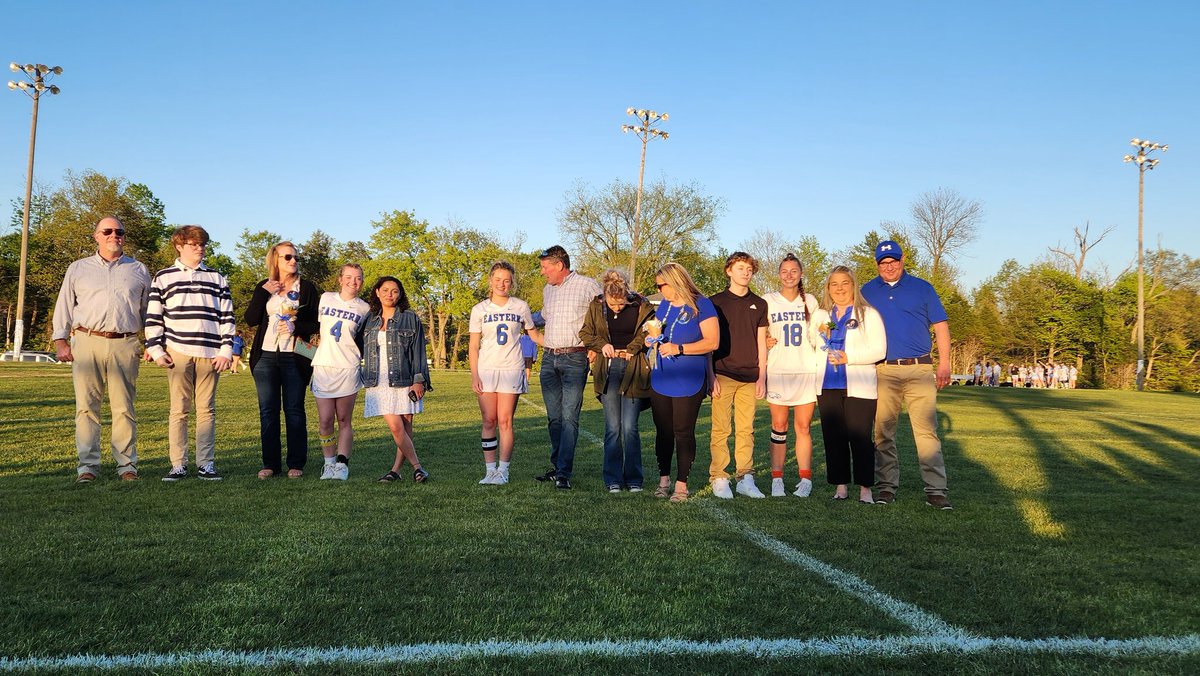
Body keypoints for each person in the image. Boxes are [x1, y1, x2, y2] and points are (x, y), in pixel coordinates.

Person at [51, 217, 151, 483]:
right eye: (107, 231)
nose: (113, 235)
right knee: (86, 407)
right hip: (87, 340)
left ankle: (127, 465)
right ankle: (88, 466)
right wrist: (60, 340)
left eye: (119, 232)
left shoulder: (139, 269)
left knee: (124, 407)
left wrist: (152, 341)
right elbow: (64, 305)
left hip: (125, 342)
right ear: (96, 236)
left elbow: (149, 312)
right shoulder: (78, 268)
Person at [860, 240, 953, 509]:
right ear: (877, 264)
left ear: (902, 261)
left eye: (893, 261)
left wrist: (944, 363)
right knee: (883, 432)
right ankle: (887, 487)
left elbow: (941, 326)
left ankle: (936, 490)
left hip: (919, 368)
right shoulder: (867, 291)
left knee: (925, 432)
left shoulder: (922, 288)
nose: (889, 266)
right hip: (884, 369)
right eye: (883, 262)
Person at [145, 225, 235, 481]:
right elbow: (154, 316)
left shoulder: (217, 277)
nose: (199, 248)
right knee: (179, 410)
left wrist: (226, 350)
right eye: (193, 244)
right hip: (178, 351)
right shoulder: (163, 277)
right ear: (179, 246)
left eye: (202, 244)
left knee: (206, 410)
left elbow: (227, 317)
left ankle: (205, 464)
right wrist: (156, 348)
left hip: (210, 352)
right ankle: (178, 464)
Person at [245, 241, 320, 479]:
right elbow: (251, 319)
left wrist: (296, 325)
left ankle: (296, 463)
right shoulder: (264, 287)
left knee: (294, 410)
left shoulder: (306, 288)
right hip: (265, 356)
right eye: (287, 257)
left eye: (296, 258)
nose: (293, 261)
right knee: (268, 411)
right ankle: (270, 464)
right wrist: (262, 292)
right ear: (275, 259)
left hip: (296, 355)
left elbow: (317, 323)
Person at [812, 266, 887, 503]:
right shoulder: (821, 316)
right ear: (828, 288)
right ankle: (841, 486)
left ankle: (865, 488)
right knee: (834, 437)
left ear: (853, 285)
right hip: (828, 384)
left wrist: (849, 358)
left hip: (859, 385)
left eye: (845, 283)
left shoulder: (867, 314)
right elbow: (812, 343)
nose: (840, 288)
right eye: (834, 284)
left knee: (860, 437)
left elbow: (879, 350)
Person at [646, 262, 720, 503]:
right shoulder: (665, 305)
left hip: (689, 378)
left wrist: (680, 348)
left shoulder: (702, 304)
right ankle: (663, 479)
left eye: (660, 285)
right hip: (661, 376)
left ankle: (681, 485)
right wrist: (652, 340)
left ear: (674, 281)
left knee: (683, 432)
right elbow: (659, 331)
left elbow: (712, 342)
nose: (659, 289)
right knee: (663, 431)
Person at [579, 268, 654, 493]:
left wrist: (633, 348)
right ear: (605, 295)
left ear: (627, 294)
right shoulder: (596, 306)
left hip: (634, 369)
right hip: (608, 370)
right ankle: (612, 479)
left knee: (630, 427)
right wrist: (602, 346)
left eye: (621, 304)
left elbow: (649, 330)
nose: (617, 308)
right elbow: (585, 334)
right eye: (613, 304)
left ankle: (634, 479)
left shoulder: (642, 305)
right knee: (613, 428)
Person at [468, 261, 543, 486]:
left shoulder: (520, 306)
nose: (502, 284)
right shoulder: (479, 309)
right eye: (498, 279)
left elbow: (535, 335)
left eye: (507, 280)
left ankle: (504, 470)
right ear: (490, 281)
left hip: (511, 368)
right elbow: (473, 345)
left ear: (512, 283)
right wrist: (474, 375)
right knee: (488, 420)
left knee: (505, 421)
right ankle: (490, 470)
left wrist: (561, 342)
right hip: (487, 369)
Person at [534, 245, 601, 490]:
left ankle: (564, 472)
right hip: (549, 359)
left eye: (545, 267)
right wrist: (516, 314)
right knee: (554, 419)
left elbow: (603, 313)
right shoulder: (548, 290)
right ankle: (557, 466)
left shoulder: (587, 285)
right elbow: (543, 317)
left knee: (569, 417)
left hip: (575, 358)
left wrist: (596, 345)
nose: (542, 272)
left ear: (559, 266)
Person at [708, 252, 769, 499]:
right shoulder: (715, 302)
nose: (746, 272)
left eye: (749, 269)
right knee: (721, 429)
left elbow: (762, 342)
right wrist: (710, 375)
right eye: (740, 267)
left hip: (750, 377)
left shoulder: (760, 304)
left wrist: (762, 376)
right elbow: (710, 343)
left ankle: (745, 477)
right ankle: (719, 477)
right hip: (722, 374)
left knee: (746, 429)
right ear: (729, 271)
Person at [361, 276, 432, 483]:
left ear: (400, 294)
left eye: (394, 291)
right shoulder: (369, 319)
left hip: (405, 378)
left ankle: (395, 471)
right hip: (378, 380)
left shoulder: (410, 317)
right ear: (377, 292)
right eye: (385, 290)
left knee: (406, 425)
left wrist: (419, 380)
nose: (389, 294)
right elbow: (356, 345)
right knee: (395, 426)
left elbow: (418, 350)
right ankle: (418, 467)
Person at [762, 253, 820, 498]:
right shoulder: (768, 301)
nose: (789, 275)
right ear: (778, 274)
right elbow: (758, 334)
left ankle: (805, 479)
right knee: (778, 426)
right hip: (778, 371)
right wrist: (764, 340)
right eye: (784, 271)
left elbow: (820, 336)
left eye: (793, 271)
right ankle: (777, 479)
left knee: (803, 427)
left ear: (801, 274)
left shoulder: (812, 302)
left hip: (806, 371)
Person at [312, 264, 370, 481]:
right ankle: (328, 464)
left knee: (344, 419)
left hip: (348, 367)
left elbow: (363, 339)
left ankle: (342, 464)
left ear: (362, 282)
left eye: (357, 278)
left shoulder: (364, 308)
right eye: (348, 277)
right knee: (326, 420)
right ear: (340, 279)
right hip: (324, 366)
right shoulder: (326, 298)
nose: (352, 282)